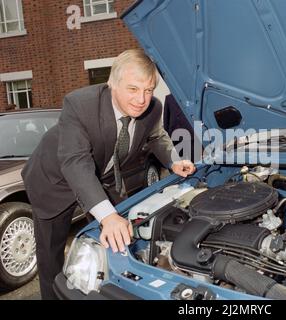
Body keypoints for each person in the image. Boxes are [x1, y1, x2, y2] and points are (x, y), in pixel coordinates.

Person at [21, 49, 195, 299]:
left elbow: (157, 137)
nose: (141, 99)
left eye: (148, 90)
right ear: (113, 83)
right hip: (54, 181)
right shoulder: (80, 104)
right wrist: (107, 216)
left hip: (100, 178)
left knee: (129, 225)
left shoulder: (153, 108)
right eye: (133, 89)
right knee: (51, 256)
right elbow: (75, 161)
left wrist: (175, 161)